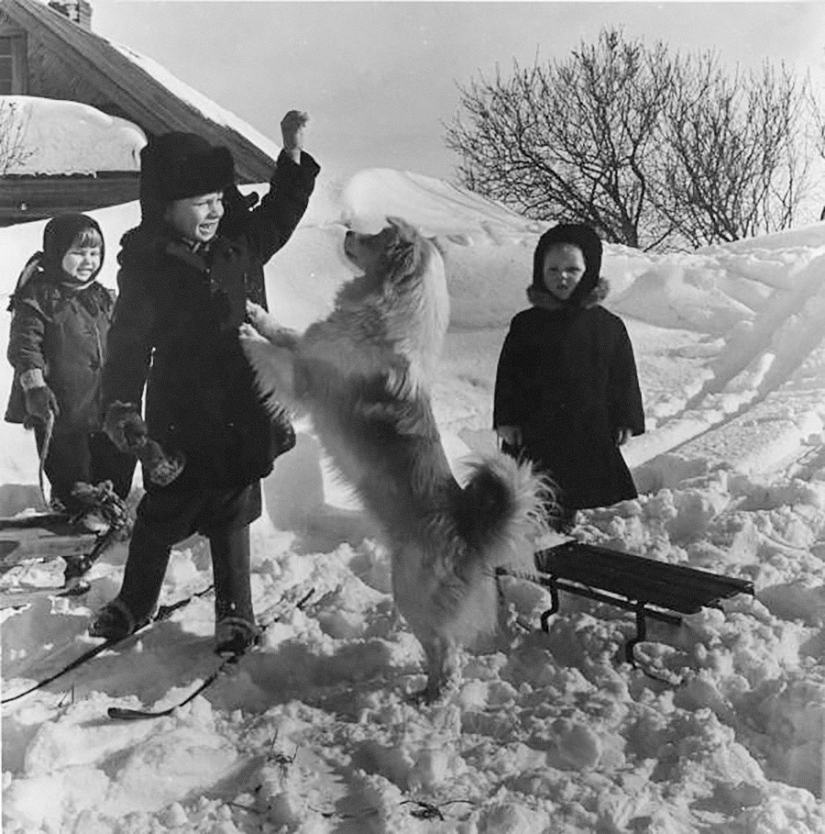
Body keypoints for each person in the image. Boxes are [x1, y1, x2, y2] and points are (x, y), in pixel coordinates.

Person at [89, 111, 320, 654]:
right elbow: (126, 342)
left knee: (234, 505)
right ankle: (135, 600)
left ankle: (236, 611)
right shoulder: (146, 267)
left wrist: (291, 154)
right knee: (163, 506)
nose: (215, 209)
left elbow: (283, 212)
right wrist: (122, 404)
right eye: (200, 201)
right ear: (165, 207)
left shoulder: (241, 242)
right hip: (180, 406)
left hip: (242, 401)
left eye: (219, 197)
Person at [493, 223, 645, 533]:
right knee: (533, 488)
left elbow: (623, 378)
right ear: (540, 271)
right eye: (553, 269)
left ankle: (564, 528)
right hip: (536, 429)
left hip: (586, 426)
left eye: (572, 269)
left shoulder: (608, 326)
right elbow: (509, 374)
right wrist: (506, 418)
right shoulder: (526, 324)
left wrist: (625, 419)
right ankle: (534, 536)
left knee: (573, 484)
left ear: (589, 270)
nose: (562, 277)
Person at [5, 213, 135, 532]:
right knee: (71, 468)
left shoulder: (103, 298)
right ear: (55, 252)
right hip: (60, 407)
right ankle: (78, 510)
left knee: (115, 461)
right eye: (78, 252)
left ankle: (108, 509)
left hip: (103, 404)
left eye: (94, 253)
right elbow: (25, 347)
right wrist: (34, 386)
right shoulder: (38, 297)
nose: (88, 261)